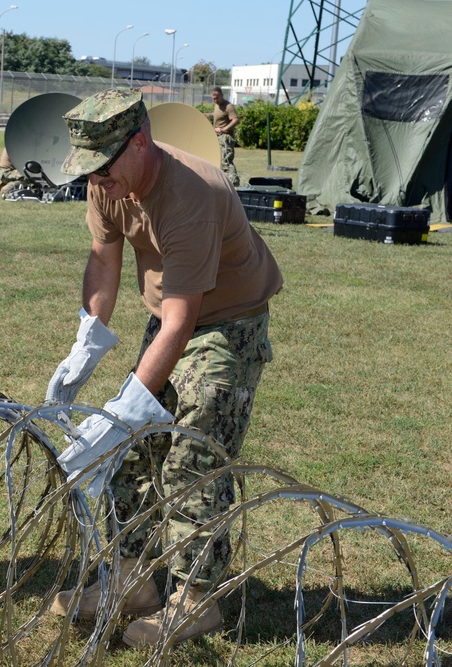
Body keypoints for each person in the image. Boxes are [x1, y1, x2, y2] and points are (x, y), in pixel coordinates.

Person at [45, 88, 282, 646]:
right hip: (172, 315)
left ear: (140, 144)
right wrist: (88, 338)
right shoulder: (107, 182)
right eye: (87, 170)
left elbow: (183, 320)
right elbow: (104, 257)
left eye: (103, 167)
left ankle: (197, 600)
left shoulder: (189, 193)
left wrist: (123, 408)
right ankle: (134, 583)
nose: (95, 181)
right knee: (132, 452)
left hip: (226, 324)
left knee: (191, 458)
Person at [207, 86, 240, 186]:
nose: (215, 100)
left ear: (222, 95)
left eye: (217, 97)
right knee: (218, 161)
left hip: (225, 138)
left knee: (226, 161)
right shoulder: (217, 105)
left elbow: (235, 120)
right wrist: (208, 115)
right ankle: (222, 182)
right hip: (217, 137)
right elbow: (218, 114)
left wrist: (224, 129)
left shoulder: (228, 106)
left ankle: (233, 183)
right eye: (213, 98)